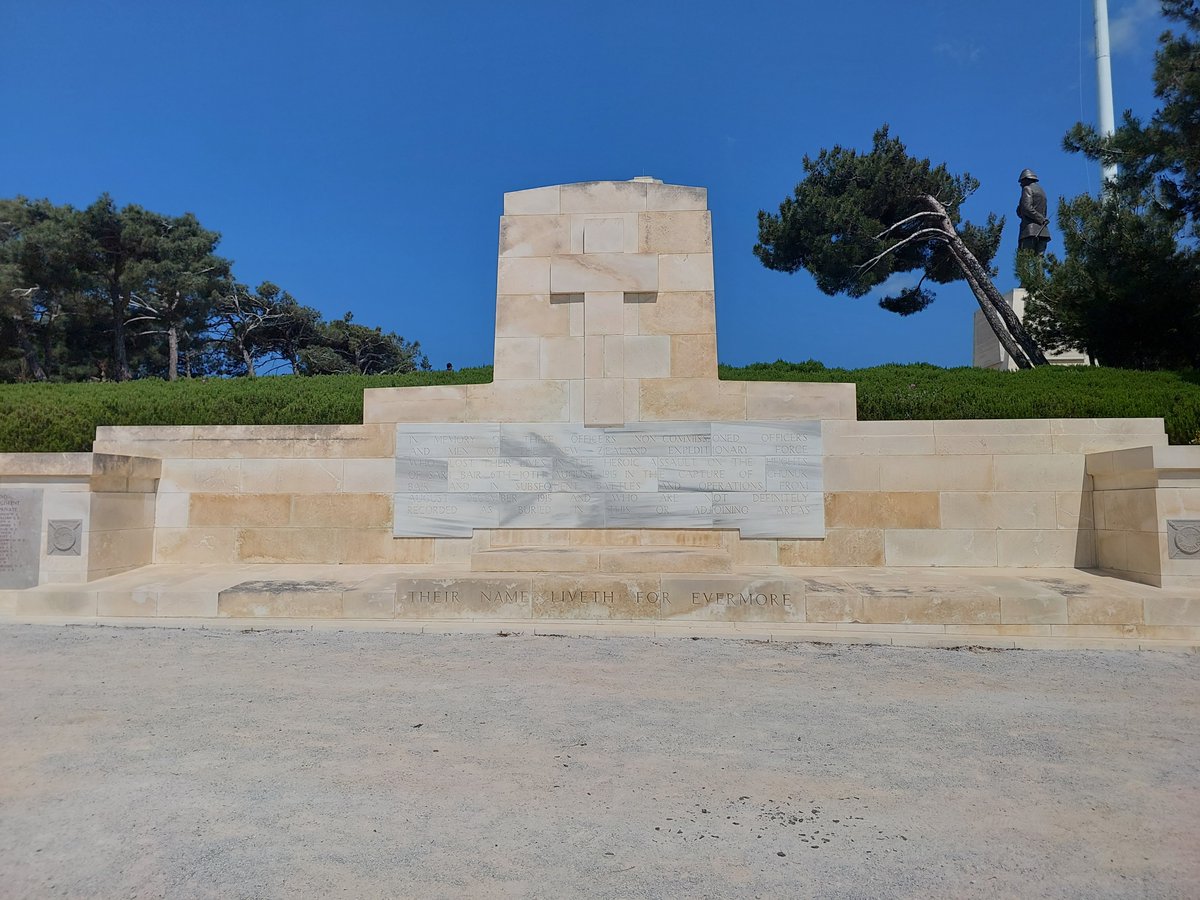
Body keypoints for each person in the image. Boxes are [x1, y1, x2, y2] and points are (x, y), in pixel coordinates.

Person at [1017, 169, 1051, 254]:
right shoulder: (1042, 192)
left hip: (1029, 231)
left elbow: (1026, 208)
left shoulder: (1027, 189)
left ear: (1026, 179)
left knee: (1025, 258)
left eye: (1021, 182)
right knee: (1040, 259)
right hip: (1043, 231)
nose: (1020, 184)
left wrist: (1040, 219)